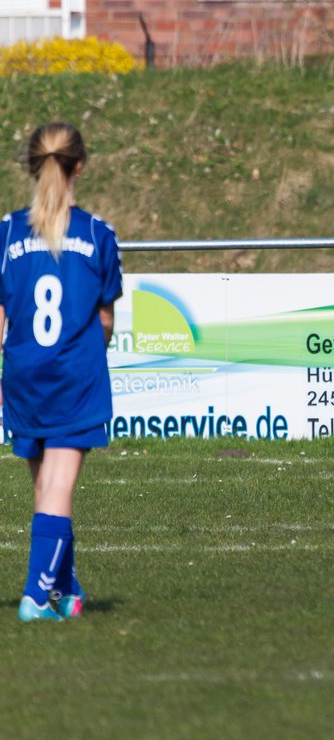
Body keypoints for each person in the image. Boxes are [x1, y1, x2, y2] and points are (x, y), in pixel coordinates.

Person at [2, 123, 122, 621]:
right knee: (58, 488)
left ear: (32, 166)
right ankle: (35, 598)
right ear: (80, 166)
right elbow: (107, 320)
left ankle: (67, 591)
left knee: (47, 487)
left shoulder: (7, 232)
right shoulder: (97, 234)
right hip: (74, 377)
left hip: (25, 378)